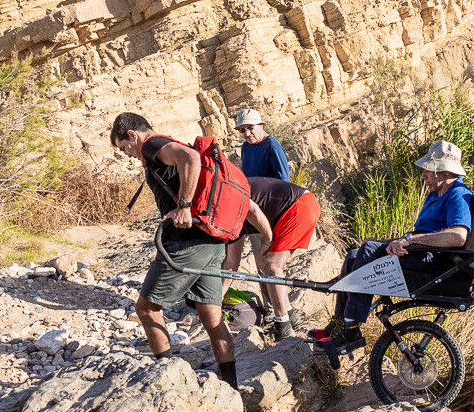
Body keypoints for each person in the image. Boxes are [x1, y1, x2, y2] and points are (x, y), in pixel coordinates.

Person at [110, 112, 272, 390]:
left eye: (124, 147)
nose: (127, 154)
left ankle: (167, 381)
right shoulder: (161, 146)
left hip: (185, 242)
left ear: (133, 135)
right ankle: (231, 387)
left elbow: (191, 158)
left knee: (146, 309)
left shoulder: (152, 145)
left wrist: (184, 205)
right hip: (211, 241)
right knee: (211, 314)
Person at [314, 140, 473, 352]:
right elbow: (422, 233)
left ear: (444, 172)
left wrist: (411, 241)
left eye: (428, 169)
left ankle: (351, 328)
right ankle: (339, 324)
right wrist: (392, 242)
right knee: (355, 254)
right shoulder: (436, 193)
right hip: (419, 252)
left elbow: (458, 236)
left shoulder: (458, 195)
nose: (423, 175)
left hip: (434, 264)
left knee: (368, 251)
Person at [224, 177, 321, 340]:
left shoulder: (227, 199)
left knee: (272, 264)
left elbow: (254, 211)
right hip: (293, 206)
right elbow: (231, 264)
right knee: (263, 262)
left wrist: (268, 240)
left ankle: (283, 327)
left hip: (299, 205)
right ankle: (290, 314)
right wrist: (216, 299)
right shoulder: (229, 221)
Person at [236, 108, 291, 182]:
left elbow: (283, 181)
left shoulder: (273, 147)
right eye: (242, 130)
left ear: (261, 125)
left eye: (250, 127)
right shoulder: (246, 146)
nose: (247, 134)